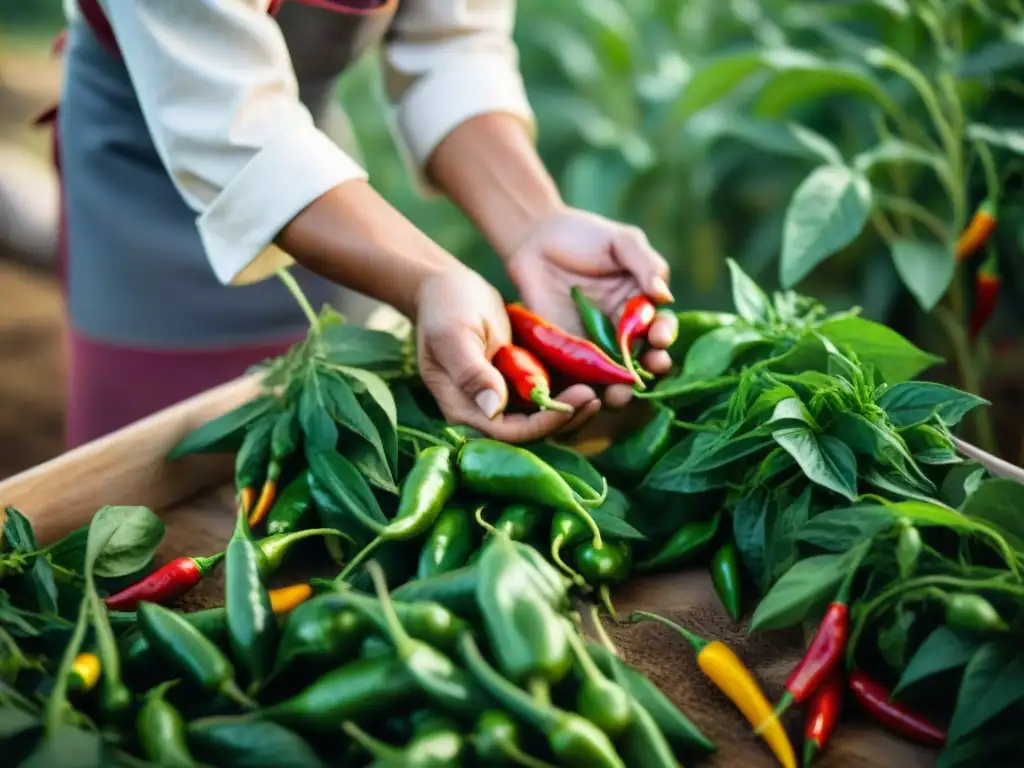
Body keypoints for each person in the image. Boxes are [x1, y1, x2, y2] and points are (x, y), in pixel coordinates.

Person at [48, 0, 678, 449]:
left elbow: (451, 49)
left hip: (320, 188)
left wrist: (536, 224)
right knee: (152, 469)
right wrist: (430, 277)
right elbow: (239, 128)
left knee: (325, 429)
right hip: (141, 180)